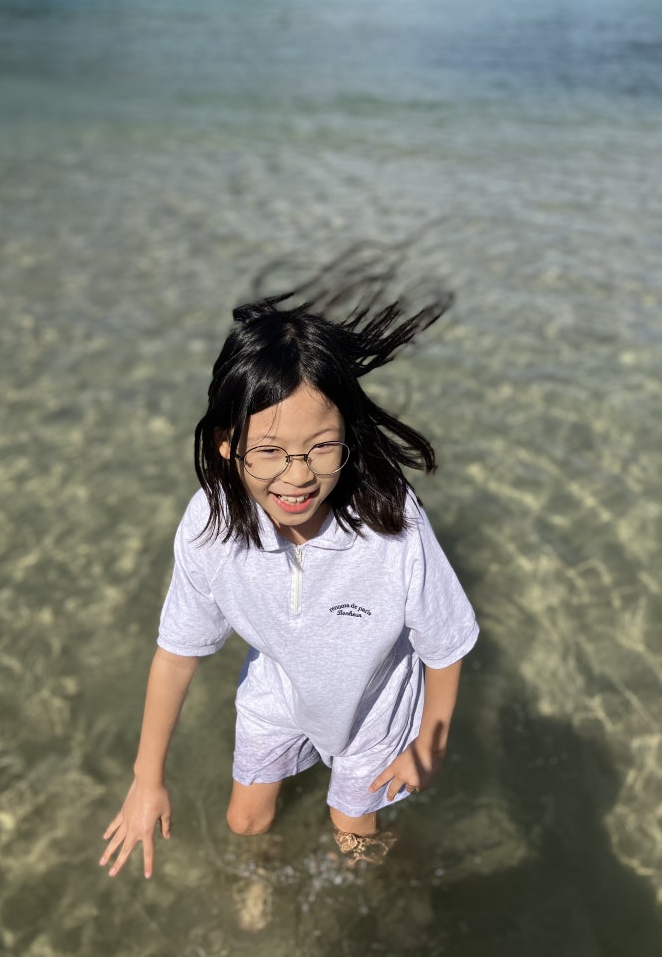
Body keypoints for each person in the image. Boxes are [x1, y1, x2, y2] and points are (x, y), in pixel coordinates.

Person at [100, 245, 479, 878]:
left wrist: (429, 743)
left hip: (375, 705)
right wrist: (147, 779)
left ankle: (402, 876)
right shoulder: (210, 527)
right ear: (227, 445)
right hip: (278, 687)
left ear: (348, 435)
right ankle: (259, 889)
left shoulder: (391, 522)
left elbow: (445, 643)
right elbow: (177, 654)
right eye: (270, 450)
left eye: (321, 447)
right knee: (244, 822)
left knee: (352, 837)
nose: (298, 476)